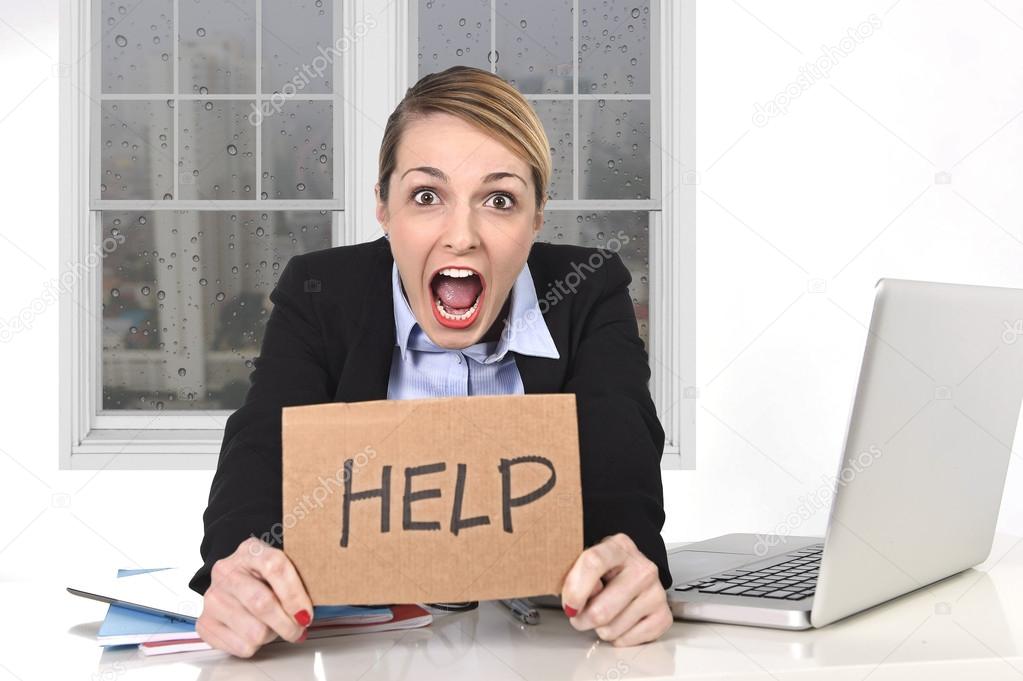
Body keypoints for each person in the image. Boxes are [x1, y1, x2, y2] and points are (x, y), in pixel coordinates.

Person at [190, 65, 672, 657]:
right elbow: (262, 446)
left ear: (537, 216)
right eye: (426, 196)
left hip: (547, 654)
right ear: (384, 209)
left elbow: (622, 453)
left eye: (499, 199)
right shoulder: (320, 293)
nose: (461, 236)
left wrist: (630, 563)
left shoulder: (587, 290)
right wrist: (238, 568)